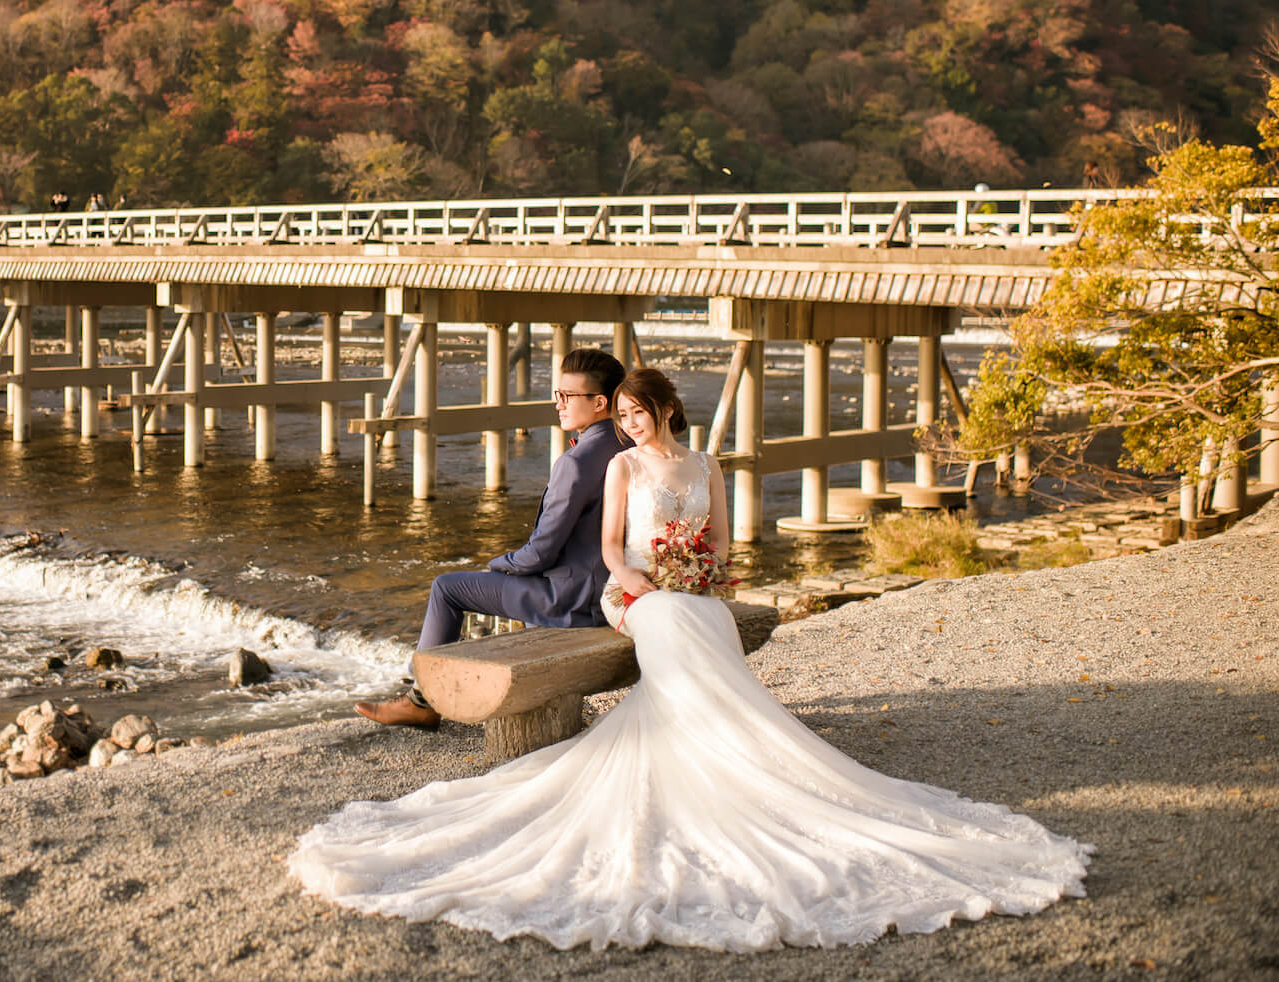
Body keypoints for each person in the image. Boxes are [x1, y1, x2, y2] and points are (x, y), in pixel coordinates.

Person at [292, 368, 1091, 952]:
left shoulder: (701, 464)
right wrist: (644, 580)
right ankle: (710, 736)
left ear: (665, 411)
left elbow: (724, 541)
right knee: (673, 620)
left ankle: (731, 747)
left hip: (688, 585)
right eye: (626, 415)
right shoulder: (618, 464)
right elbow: (611, 548)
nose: (633, 426)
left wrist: (705, 574)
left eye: (641, 414)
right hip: (628, 589)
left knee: (700, 616)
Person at [355, 347, 626, 729]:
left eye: (567, 397)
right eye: (556, 395)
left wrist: (501, 563)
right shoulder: (629, 446)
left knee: (447, 588)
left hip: (571, 603)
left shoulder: (576, 463)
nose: (558, 405)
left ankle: (421, 701)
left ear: (600, 403)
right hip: (611, 595)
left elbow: (541, 553)